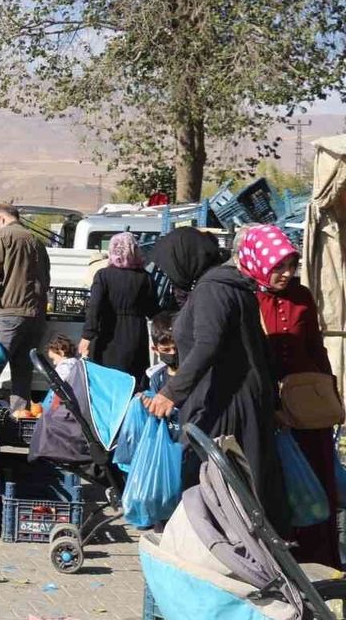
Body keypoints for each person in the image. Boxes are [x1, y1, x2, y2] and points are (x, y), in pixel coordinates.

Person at [144, 226, 288, 533]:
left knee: (213, 481)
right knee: (242, 485)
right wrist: (272, 401)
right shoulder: (231, 285)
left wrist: (172, 391)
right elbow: (261, 349)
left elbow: (208, 344)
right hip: (241, 398)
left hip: (224, 402)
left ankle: (220, 552)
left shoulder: (212, 289)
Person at [237, 224, 339, 567]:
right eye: (278, 266)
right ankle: (281, 557)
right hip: (269, 409)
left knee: (315, 475)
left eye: (290, 266)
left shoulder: (302, 296)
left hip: (307, 408)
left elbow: (315, 347)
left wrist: (329, 394)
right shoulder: (246, 297)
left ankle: (321, 556)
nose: (286, 273)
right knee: (277, 479)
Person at [0, 203, 51, 411]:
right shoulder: (37, 241)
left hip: (8, 313)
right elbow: (46, 279)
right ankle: (20, 419)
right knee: (22, 374)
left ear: (0, 219)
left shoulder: (0, 237)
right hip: (35, 316)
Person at [79, 232, 159, 383]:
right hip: (135, 335)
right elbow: (153, 310)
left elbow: (94, 307)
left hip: (108, 335)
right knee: (132, 382)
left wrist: (87, 336)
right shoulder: (145, 278)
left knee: (106, 382)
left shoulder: (103, 275)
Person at [145, 311, 178, 395]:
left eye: (176, 348)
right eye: (166, 350)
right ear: (156, 350)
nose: (173, 353)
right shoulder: (158, 379)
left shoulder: (195, 374)